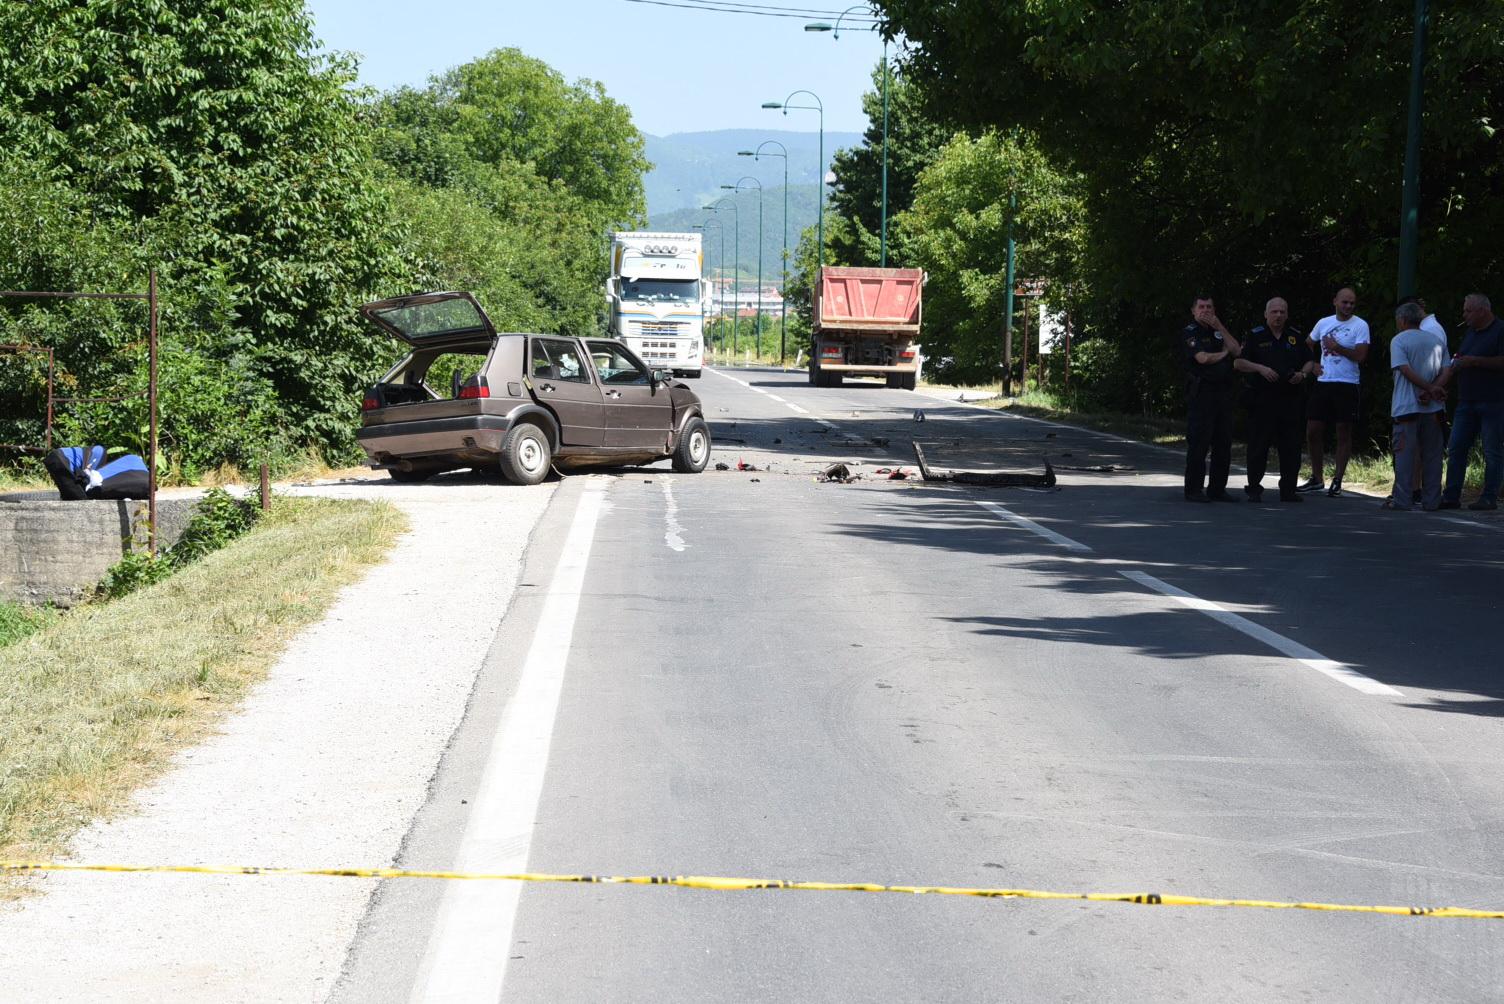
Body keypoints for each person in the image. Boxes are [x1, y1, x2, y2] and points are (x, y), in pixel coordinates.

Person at [1234, 296, 1313, 502]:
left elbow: (1309, 362)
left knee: (1291, 447)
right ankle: (1253, 488)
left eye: (1282, 312)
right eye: (1274, 312)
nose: (1278, 315)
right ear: (1266, 314)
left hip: (1290, 400)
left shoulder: (1294, 336)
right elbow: (1239, 363)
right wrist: (1260, 368)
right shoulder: (1255, 335)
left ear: (1287, 314)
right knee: (1258, 446)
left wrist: (1302, 375)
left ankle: (1288, 490)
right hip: (1263, 400)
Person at [1434, 293, 1504, 510]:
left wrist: (1475, 361)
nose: (1464, 315)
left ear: (1483, 310)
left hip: (1493, 400)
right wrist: (1441, 385)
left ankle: (1489, 496)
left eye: (1468, 311)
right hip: (1467, 400)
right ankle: (1451, 495)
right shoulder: (1470, 332)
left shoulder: (1501, 330)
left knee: (1492, 450)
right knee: (1456, 447)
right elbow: (1459, 359)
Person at [1298, 287, 1370, 497]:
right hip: (1324, 381)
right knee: (1313, 428)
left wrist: (1336, 346)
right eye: (1344, 302)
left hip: (1347, 383)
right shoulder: (1324, 322)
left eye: (1352, 303)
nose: (1348, 306)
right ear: (1335, 302)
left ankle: (1338, 479)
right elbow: (1307, 344)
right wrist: (1312, 365)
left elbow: (1360, 356)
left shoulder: (1360, 325)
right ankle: (1317, 477)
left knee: (1343, 430)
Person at [1382, 301, 1447, 511]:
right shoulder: (1435, 340)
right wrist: (1433, 389)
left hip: (1406, 406)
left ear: (1401, 320)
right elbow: (1447, 370)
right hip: (1434, 408)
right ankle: (1432, 500)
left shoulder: (1399, 340)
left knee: (1404, 455)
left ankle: (1402, 499)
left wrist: (1426, 388)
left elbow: (1404, 369)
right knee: (1433, 456)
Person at [1179, 294, 1241, 502]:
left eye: (1210, 307)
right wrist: (1224, 354)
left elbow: (1237, 350)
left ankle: (1217, 488)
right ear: (1194, 311)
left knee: (1223, 443)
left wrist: (1220, 327)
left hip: (1223, 393)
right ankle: (1194, 490)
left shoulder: (1218, 331)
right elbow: (1203, 358)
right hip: (1202, 393)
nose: (1206, 310)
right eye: (1202, 307)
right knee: (1199, 442)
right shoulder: (1190, 332)